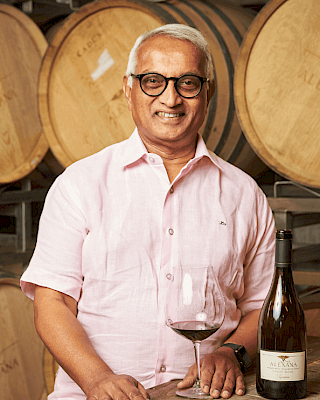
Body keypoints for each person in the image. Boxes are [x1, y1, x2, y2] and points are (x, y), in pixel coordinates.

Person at [20, 24, 275, 400]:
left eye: (187, 83)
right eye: (153, 81)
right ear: (128, 88)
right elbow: (52, 303)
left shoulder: (244, 195)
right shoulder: (80, 184)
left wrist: (231, 351)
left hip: (207, 394)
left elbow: (262, 306)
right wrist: (96, 380)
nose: (170, 99)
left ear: (208, 91)